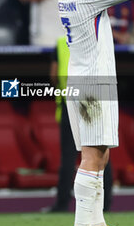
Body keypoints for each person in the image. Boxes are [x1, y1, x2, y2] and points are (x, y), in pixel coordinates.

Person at [56, 0, 134, 226]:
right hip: (92, 85)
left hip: (85, 82)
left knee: (100, 155)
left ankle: (97, 223)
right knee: (92, 157)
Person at [48, 36, 113, 212]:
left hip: (69, 105)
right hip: (92, 103)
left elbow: (54, 75)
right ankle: (104, 204)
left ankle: (62, 205)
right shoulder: (97, 40)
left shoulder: (61, 43)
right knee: (100, 153)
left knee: (68, 158)